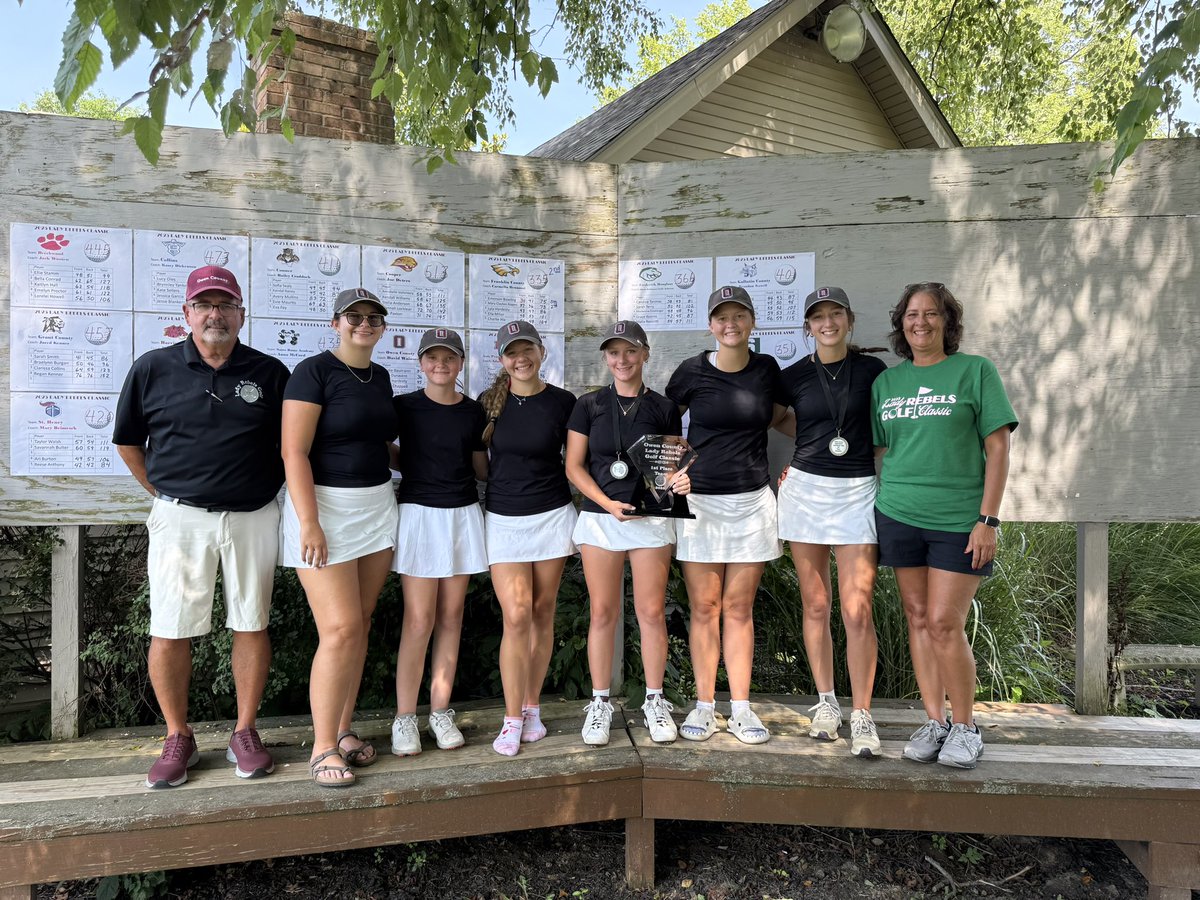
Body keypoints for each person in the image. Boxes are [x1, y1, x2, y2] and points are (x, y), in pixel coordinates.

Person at [112, 265, 288, 789]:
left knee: (251, 623)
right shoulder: (153, 368)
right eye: (204, 305)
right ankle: (177, 736)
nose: (216, 314)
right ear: (186, 314)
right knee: (169, 629)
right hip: (180, 518)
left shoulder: (270, 372)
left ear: (241, 313)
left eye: (225, 304)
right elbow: (127, 443)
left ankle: (245, 731)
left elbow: (292, 446)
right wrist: (167, 495)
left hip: (254, 516)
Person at [872, 282, 1018, 769]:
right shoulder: (886, 385)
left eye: (931, 314)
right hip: (897, 514)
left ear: (947, 322)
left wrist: (988, 520)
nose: (920, 322)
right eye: (911, 314)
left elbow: (998, 448)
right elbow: (881, 451)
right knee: (917, 619)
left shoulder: (976, 372)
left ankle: (966, 726)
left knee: (943, 622)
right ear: (901, 324)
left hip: (959, 519)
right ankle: (935, 721)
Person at [280, 288, 398, 787]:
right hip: (324, 511)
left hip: (376, 508)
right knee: (340, 629)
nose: (363, 325)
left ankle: (343, 729)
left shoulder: (382, 377)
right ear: (336, 323)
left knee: (361, 623)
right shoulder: (313, 372)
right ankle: (322, 746)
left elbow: (379, 444)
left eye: (373, 318)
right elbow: (293, 452)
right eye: (354, 317)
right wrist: (309, 522)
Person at [666, 286, 789, 744]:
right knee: (704, 607)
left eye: (739, 316)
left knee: (738, 609)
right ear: (711, 325)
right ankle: (703, 706)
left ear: (752, 322)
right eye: (722, 317)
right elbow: (663, 426)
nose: (730, 324)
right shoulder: (691, 371)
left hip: (753, 503)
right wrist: (670, 470)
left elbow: (783, 420)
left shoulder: (767, 370)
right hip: (699, 503)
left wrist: (812, 453)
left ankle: (740, 708)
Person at [565, 320, 692, 746]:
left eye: (631, 351)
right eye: (614, 352)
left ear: (645, 354)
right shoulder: (589, 405)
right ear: (606, 357)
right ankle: (600, 703)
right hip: (601, 519)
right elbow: (574, 467)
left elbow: (668, 465)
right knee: (603, 613)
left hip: (650, 521)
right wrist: (606, 504)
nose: (622, 360)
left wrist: (678, 482)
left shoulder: (663, 406)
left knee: (652, 613)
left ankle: (654, 700)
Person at [777, 286, 888, 757]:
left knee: (856, 609)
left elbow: (883, 427)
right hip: (804, 491)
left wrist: (855, 446)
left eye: (835, 314)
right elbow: (781, 419)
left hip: (857, 490)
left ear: (849, 319)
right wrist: (816, 442)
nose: (827, 322)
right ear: (807, 326)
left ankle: (862, 713)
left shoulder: (872, 370)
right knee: (816, 604)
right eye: (817, 316)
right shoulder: (795, 375)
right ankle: (826, 703)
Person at [478, 321, 577, 756]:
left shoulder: (563, 402)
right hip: (504, 520)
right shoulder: (486, 403)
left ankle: (533, 707)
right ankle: (511, 717)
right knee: (515, 615)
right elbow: (479, 464)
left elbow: (578, 460)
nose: (521, 359)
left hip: (553, 516)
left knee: (541, 611)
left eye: (528, 350)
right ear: (502, 359)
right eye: (512, 352)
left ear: (541, 352)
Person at [391, 328, 489, 756]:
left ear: (461, 363)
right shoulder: (403, 407)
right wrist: (408, 463)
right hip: (417, 515)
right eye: (432, 357)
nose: (440, 365)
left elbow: (480, 468)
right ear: (420, 363)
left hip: (462, 515)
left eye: (449, 358)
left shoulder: (474, 412)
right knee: (418, 620)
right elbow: (387, 450)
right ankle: (405, 718)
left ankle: (440, 712)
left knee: (451, 617)